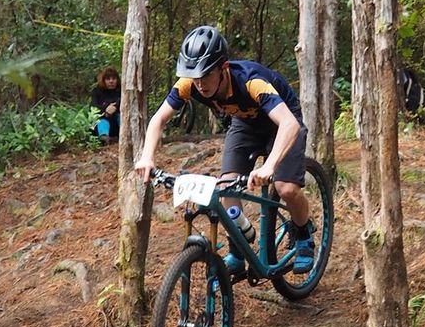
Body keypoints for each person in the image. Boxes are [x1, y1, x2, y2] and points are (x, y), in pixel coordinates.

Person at [135, 25, 315, 277]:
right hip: (244, 123)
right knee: (226, 187)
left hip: (281, 121)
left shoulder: (252, 81)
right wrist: (147, 157)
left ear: (224, 68)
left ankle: (304, 234)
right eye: (194, 76)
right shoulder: (191, 84)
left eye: (206, 75)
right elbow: (159, 119)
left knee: (286, 187)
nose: (200, 83)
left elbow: (288, 124)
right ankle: (238, 249)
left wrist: (269, 166)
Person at [91, 66, 121, 142]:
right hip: (101, 121)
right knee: (101, 119)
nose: (111, 81)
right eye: (108, 79)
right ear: (103, 81)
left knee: (121, 116)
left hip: (116, 123)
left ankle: (127, 135)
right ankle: (104, 137)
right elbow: (93, 108)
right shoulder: (96, 92)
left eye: (113, 79)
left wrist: (114, 108)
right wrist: (105, 111)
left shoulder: (121, 91)